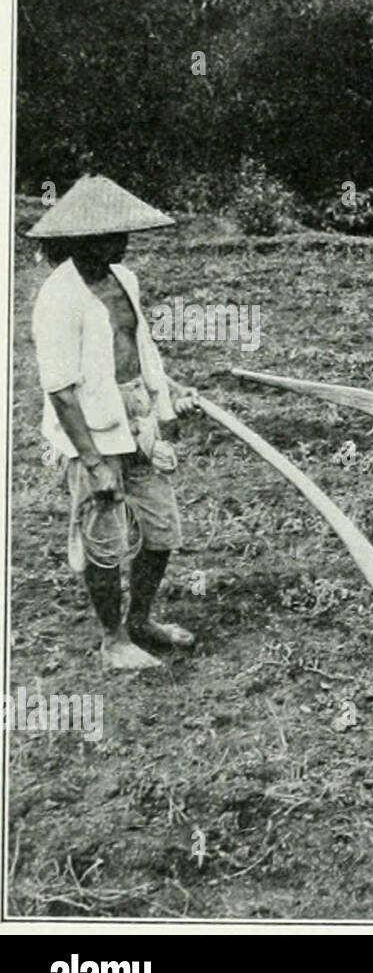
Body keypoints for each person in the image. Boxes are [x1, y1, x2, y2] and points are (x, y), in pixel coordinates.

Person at [29, 175, 200, 671]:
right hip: (92, 431)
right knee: (103, 538)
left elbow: (138, 349)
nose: (122, 243)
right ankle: (114, 639)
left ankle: (142, 619)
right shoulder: (59, 298)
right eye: (110, 236)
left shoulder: (125, 279)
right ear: (79, 239)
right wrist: (92, 461)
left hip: (137, 419)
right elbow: (59, 390)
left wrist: (171, 390)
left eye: (123, 235)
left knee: (160, 529)